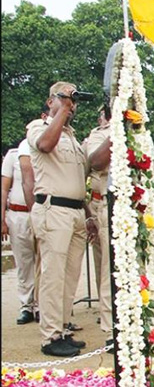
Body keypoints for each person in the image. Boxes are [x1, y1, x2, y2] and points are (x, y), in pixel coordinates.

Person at [27, 82, 101, 357]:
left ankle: (62, 328)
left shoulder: (71, 137)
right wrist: (63, 109)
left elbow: (80, 178)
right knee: (53, 276)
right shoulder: (38, 126)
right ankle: (49, 336)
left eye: (74, 99)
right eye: (65, 97)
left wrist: (89, 214)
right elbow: (45, 145)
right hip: (53, 209)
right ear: (50, 102)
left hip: (76, 211)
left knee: (69, 277)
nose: (72, 103)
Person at [83, 105, 113, 343]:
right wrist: (116, 133)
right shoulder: (98, 135)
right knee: (109, 269)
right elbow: (96, 163)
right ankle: (112, 327)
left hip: (136, 208)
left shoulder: (141, 133)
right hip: (106, 206)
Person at [2, 145, 39, 324]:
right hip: (19, 214)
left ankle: (42, 305)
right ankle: (26, 305)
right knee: (24, 263)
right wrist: (2, 218)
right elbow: (4, 188)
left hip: (41, 213)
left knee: (44, 262)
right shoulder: (14, 155)